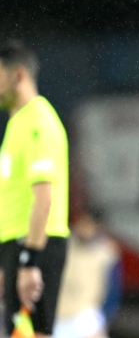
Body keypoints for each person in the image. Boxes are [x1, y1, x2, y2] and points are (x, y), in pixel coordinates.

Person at [0, 39, 70, 337]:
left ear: (18, 75)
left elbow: (44, 199)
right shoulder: (17, 124)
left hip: (37, 247)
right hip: (17, 247)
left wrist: (30, 262)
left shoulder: (38, 122)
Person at [53, 210, 121, 338]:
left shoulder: (107, 253)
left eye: (89, 224)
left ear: (97, 227)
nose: (84, 228)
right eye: (82, 223)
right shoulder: (63, 245)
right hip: (58, 315)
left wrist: (105, 317)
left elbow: (112, 290)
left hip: (85, 316)